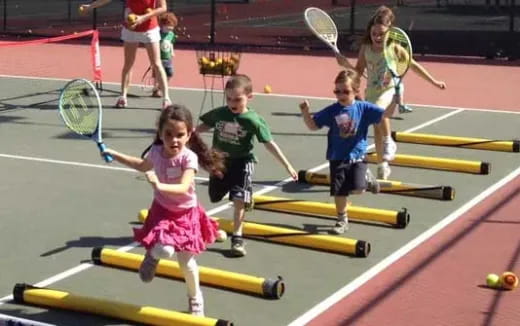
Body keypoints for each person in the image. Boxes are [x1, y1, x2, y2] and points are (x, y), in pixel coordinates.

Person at [103, 104, 225, 317]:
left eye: (180, 135)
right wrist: (114, 154)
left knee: (186, 262)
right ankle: (153, 255)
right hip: (162, 211)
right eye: (168, 134)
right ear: (160, 133)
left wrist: (159, 185)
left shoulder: (189, 158)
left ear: (189, 135)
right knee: (166, 250)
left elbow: (184, 187)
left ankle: (195, 299)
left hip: (185, 214)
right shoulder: (156, 152)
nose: (174, 140)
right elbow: (142, 165)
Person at [336, 5, 446, 179]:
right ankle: (382, 165)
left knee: (379, 113)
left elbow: (413, 65)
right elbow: (358, 71)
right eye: (374, 34)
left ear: (388, 33)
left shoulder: (393, 48)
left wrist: (434, 81)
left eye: (381, 33)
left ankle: (390, 142)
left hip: (391, 89)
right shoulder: (365, 48)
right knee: (376, 130)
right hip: (372, 91)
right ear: (370, 33)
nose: (377, 37)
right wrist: (346, 64)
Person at [196, 74, 298, 257]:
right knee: (214, 196)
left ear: (249, 97)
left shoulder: (253, 120)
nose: (233, 103)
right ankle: (242, 196)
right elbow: (204, 125)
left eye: (238, 99)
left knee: (238, 199)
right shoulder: (221, 113)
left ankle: (237, 238)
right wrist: (188, 135)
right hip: (219, 162)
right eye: (229, 99)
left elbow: (269, 143)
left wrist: (287, 165)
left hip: (243, 162)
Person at [299, 69, 395, 234]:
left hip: (357, 156)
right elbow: (313, 126)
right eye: (337, 91)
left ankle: (366, 177)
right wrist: (305, 112)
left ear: (356, 91)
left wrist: (395, 101)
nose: (341, 95)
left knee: (358, 189)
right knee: (339, 191)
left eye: (345, 91)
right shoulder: (332, 111)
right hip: (337, 157)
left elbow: (385, 114)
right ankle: (342, 219)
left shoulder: (363, 108)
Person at [79, 0, 172, 109]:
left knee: (156, 64)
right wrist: (90, 6)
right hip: (130, 29)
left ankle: (166, 99)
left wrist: (143, 17)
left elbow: (163, 8)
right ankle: (123, 97)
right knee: (128, 64)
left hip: (149, 29)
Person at [151, 11, 178, 98]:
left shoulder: (171, 34)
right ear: (162, 26)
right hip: (158, 59)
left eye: (171, 28)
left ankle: (159, 87)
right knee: (157, 75)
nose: (170, 29)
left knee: (170, 73)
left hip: (168, 58)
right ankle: (156, 90)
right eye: (168, 27)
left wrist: (172, 51)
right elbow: (154, 45)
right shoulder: (157, 34)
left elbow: (171, 43)